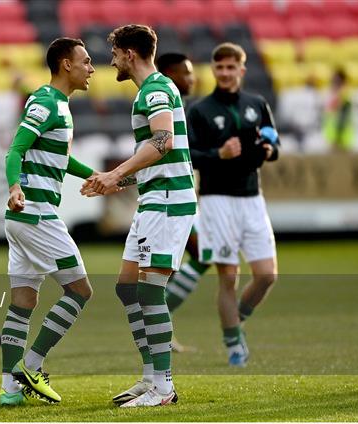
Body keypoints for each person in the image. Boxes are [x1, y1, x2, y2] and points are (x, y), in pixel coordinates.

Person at [82, 25, 196, 407]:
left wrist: (116, 173)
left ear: (130, 53)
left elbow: (163, 143)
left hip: (167, 201)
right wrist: (114, 180)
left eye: (114, 52)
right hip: (154, 197)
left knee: (149, 289)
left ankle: (163, 388)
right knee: (127, 286)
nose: (110, 59)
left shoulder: (157, 90)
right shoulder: (151, 91)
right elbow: (155, 154)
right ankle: (150, 378)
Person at [0, 37, 96, 407]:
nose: (91, 69)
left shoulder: (60, 107)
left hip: (21, 219)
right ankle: (33, 365)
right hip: (36, 213)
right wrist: (15, 186)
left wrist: (97, 175)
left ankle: (9, 391)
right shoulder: (46, 102)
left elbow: (60, 159)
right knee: (81, 290)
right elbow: (16, 149)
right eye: (86, 62)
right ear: (66, 65)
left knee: (23, 302)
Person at [187, 42, 279, 367]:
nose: (225, 73)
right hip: (216, 200)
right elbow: (189, 155)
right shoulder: (199, 110)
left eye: (231, 67)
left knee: (267, 275)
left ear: (242, 69)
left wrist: (269, 150)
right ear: (213, 70)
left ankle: (236, 319)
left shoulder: (257, 104)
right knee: (229, 276)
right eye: (219, 67)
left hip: (252, 198)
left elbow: (273, 140)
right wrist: (218, 155)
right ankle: (233, 345)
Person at [156, 53, 211, 354]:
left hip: (183, 198)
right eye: (186, 73)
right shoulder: (167, 107)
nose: (192, 79)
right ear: (169, 73)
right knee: (201, 254)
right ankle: (158, 322)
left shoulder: (180, 108)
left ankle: (159, 324)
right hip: (170, 199)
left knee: (173, 266)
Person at [323, 68, 354, 151]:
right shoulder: (330, 94)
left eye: (337, 81)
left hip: (341, 139)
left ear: (343, 82)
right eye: (333, 81)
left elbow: (342, 118)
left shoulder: (345, 96)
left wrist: (337, 138)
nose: (334, 84)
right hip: (331, 137)